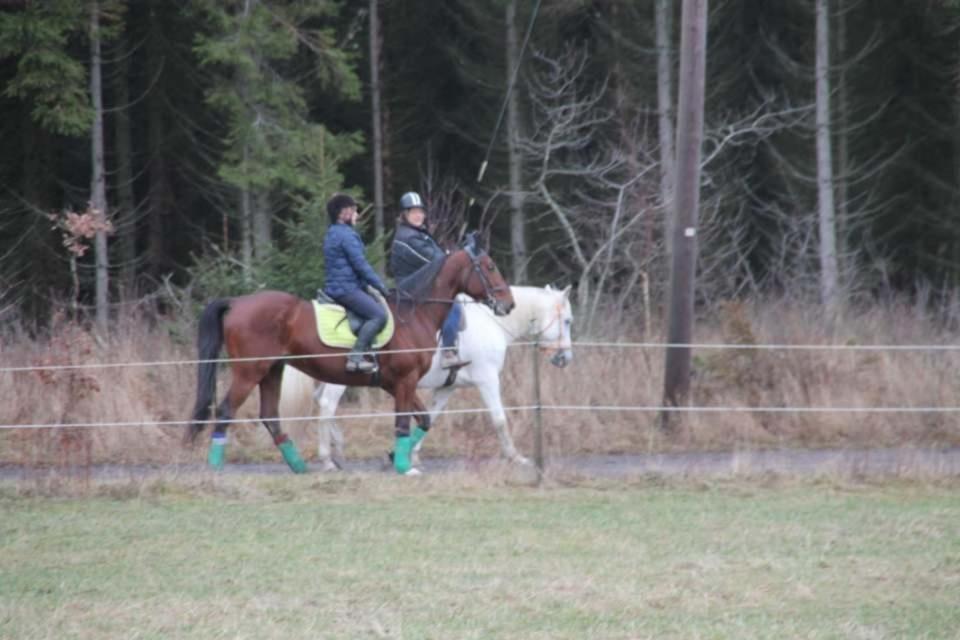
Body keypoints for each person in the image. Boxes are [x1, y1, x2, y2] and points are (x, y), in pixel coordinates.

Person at [389, 191, 467, 369]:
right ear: (404, 215)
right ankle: (448, 352)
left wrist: (449, 254)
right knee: (451, 305)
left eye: (420, 212)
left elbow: (438, 257)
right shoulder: (407, 238)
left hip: (422, 284)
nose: (418, 216)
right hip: (411, 287)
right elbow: (435, 261)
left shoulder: (417, 233)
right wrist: (451, 258)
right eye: (413, 212)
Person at [322, 194, 391, 373]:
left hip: (343, 285)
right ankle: (356, 357)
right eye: (353, 210)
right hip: (346, 289)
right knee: (378, 316)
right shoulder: (346, 235)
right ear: (343, 213)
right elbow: (361, 265)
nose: (357, 215)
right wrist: (380, 286)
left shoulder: (333, 232)